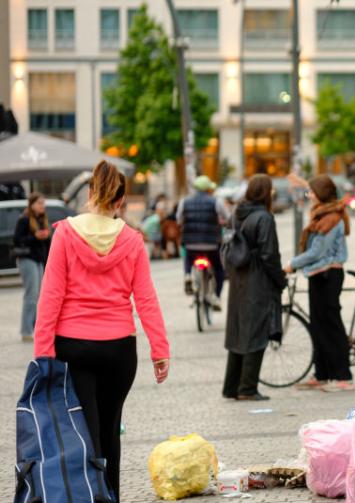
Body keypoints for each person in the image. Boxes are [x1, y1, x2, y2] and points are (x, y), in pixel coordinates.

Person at [33, 161, 170, 500]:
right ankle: (111, 496)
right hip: (119, 349)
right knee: (110, 430)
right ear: (121, 202)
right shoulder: (132, 240)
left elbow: (51, 295)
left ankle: (88, 495)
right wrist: (160, 349)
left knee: (85, 431)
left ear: (90, 193)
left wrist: (42, 353)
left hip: (73, 345)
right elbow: (147, 299)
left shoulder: (65, 232)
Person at [284, 175, 355, 393]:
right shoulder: (324, 213)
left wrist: (292, 264)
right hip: (318, 274)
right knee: (318, 325)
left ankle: (344, 376)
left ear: (322, 194)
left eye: (312, 192)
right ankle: (322, 373)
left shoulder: (332, 218)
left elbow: (318, 251)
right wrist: (302, 182)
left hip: (328, 275)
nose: (309, 195)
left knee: (331, 325)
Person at [223, 175, 285, 401]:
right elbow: (270, 254)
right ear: (266, 193)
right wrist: (280, 279)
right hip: (258, 279)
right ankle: (247, 388)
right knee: (257, 331)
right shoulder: (264, 218)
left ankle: (231, 386)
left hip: (239, 278)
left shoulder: (238, 213)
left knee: (239, 330)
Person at [177, 175, 229, 309]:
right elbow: (228, 218)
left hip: (190, 242)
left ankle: (188, 275)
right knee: (218, 268)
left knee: (188, 256)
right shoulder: (216, 202)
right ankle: (216, 297)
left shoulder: (184, 201)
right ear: (208, 189)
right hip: (211, 244)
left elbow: (178, 219)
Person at [14, 192, 51, 341]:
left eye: (43, 203)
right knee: (31, 295)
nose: (42, 206)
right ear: (32, 204)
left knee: (40, 296)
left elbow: (47, 244)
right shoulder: (23, 220)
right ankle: (26, 331)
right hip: (27, 259)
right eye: (40, 203)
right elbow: (17, 240)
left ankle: (37, 328)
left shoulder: (42, 219)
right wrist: (34, 237)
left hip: (39, 260)